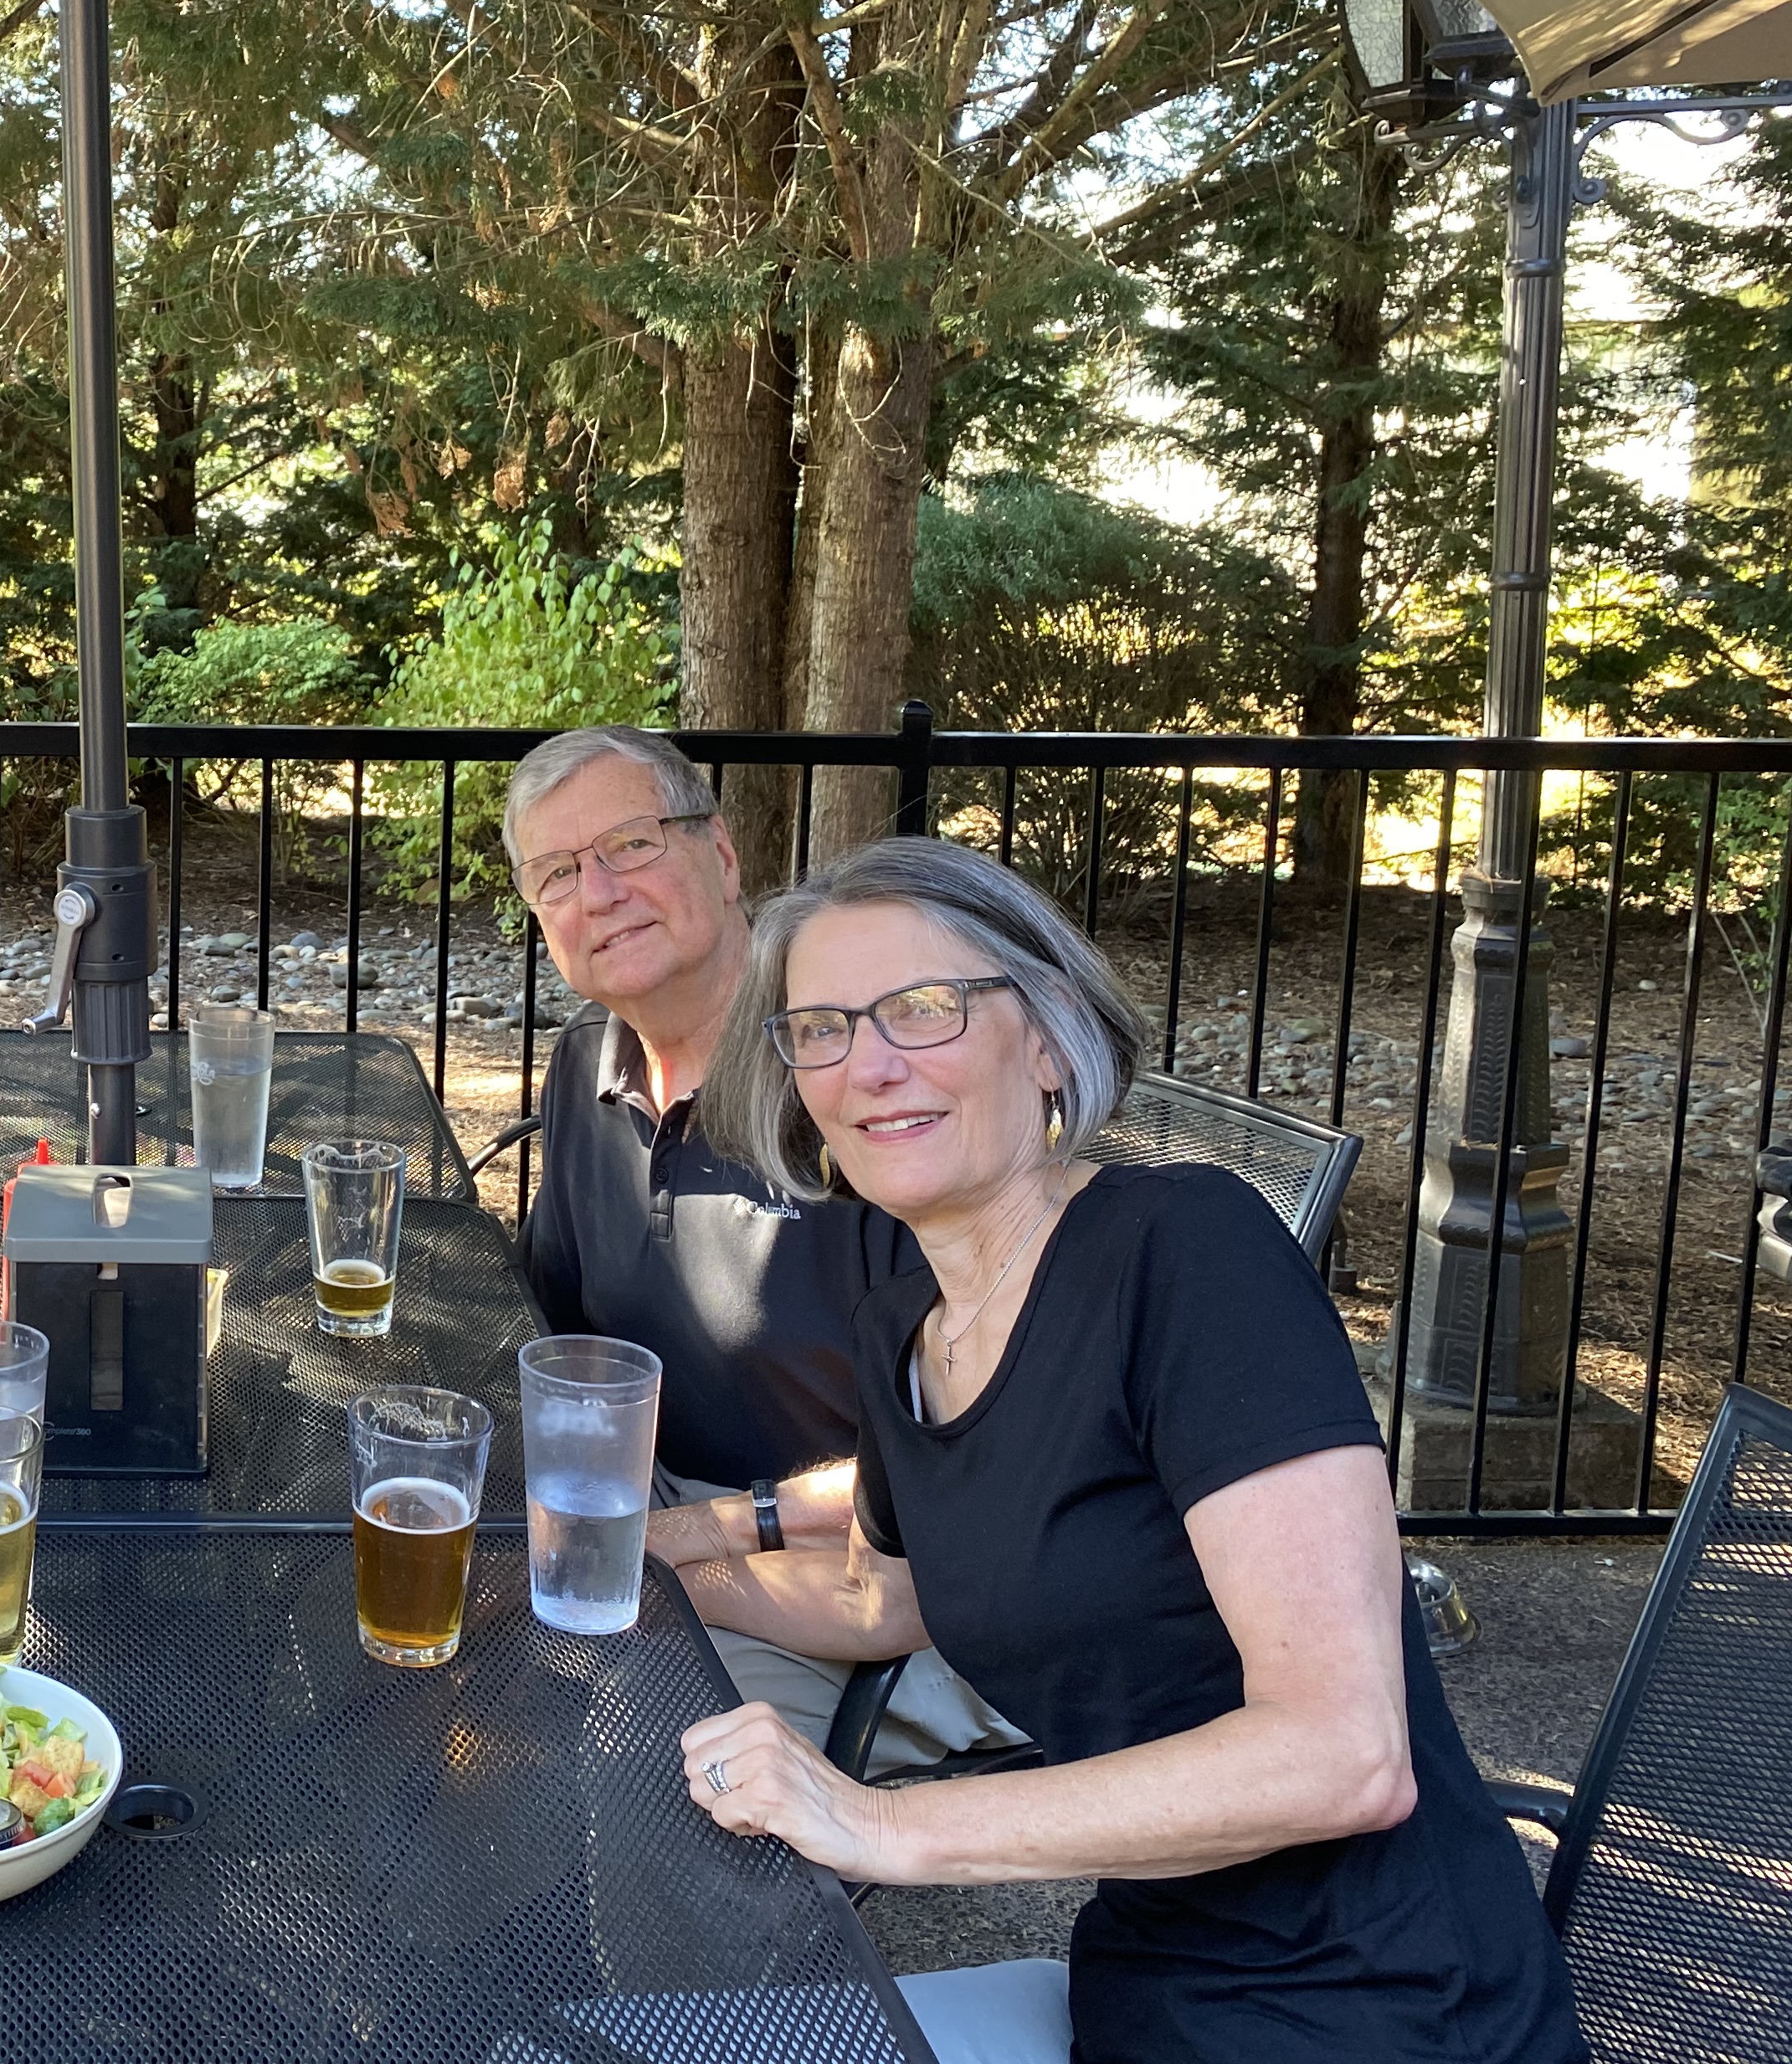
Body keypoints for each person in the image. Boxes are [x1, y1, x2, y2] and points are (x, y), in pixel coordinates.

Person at [675, 837, 1582, 2064]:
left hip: (1373, 2010)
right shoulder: (906, 1327)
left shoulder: (1188, 1253)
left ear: (1048, 1038)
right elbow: (883, 1601)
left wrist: (882, 1825)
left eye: (924, 1008)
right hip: (1141, 1995)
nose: (870, 1065)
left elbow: (1345, 1755)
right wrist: (646, 1566)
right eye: (821, 1029)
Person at [503, 726, 1015, 1772]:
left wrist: (687, 1543)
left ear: (724, 856)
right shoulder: (587, 1064)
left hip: (876, 1575)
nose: (600, 892)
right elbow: (550, 1327)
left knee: (637, 1764)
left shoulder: (857, 1086)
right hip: (646, 1500)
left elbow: (974, 1462)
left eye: (632, 844)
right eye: (557, 872)